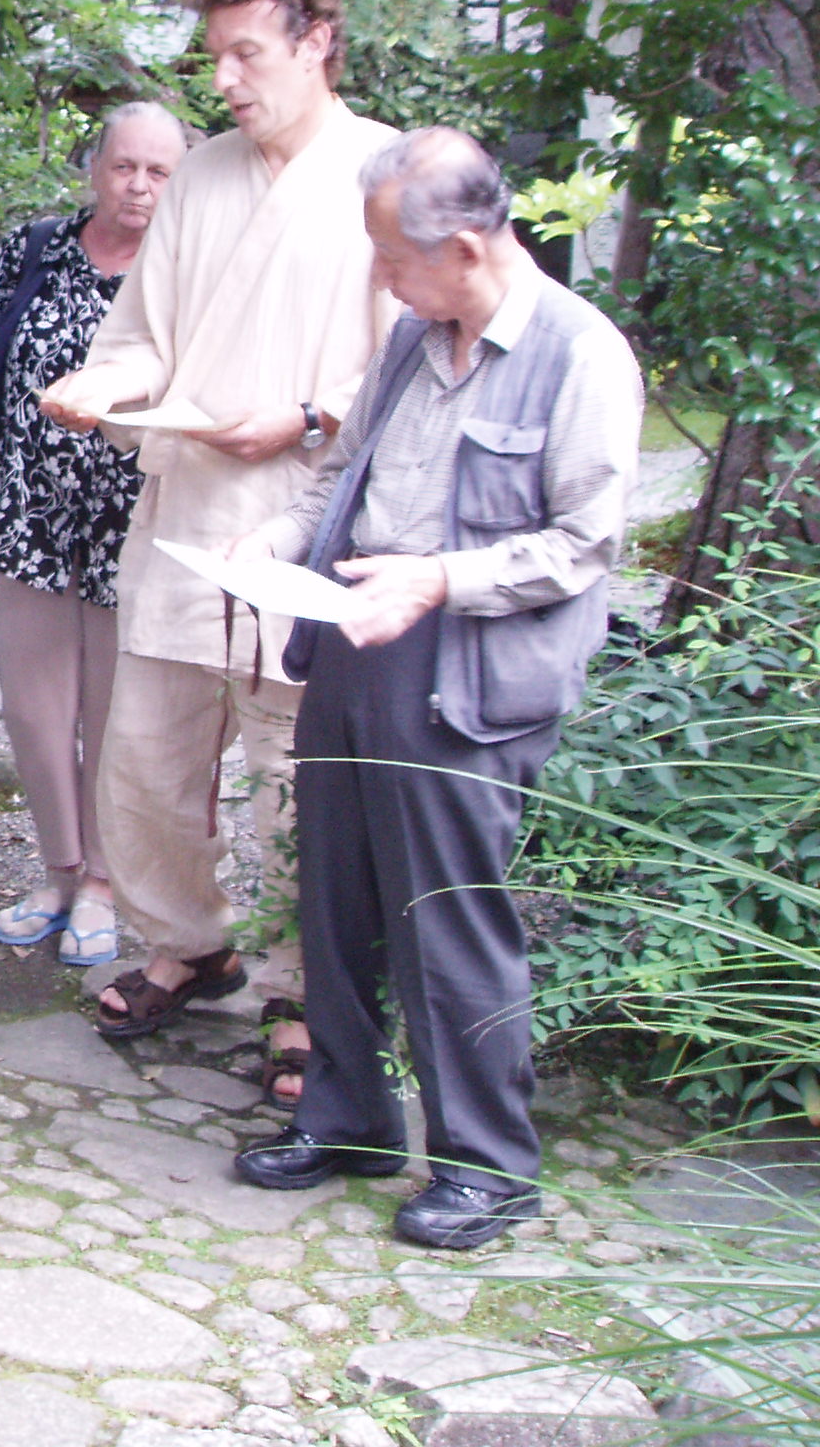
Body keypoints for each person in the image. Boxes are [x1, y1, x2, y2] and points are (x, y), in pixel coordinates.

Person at [229, 127, 641, 1249]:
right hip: (354, 647)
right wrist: (267, 546)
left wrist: (440, 580)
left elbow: (580, 544)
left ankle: (487, 1171)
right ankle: (349, 1121)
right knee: (336, 903)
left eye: (391, 258)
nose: (379, 278)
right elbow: (337, 478)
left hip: (467, 677)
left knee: (448, 927)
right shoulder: (414, 339)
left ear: (464, 246)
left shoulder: (580, 354)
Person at [40, 0, 395, 1096]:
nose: (228, 80)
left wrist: (302, 414)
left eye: (249, 53)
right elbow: (142, 335)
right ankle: (188, 944)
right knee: (142, 758)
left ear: (314, 40)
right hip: (185, 499)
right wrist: (106, 387)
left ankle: (304, 987)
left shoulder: (383, 174)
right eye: (216, 57)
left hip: (311, 515)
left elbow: (414, 367)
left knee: (295, 772)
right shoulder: (199, 181)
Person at [0, 103, 191, 968]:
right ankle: (60, 870)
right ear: (96, 168)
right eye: (124, 166)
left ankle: (109, 883)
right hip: (35, 517)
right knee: (38, 712)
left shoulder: (188, 270)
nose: (139, 186)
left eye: (158, 171)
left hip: (136, 524)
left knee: (118, 714)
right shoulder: (39, 247)